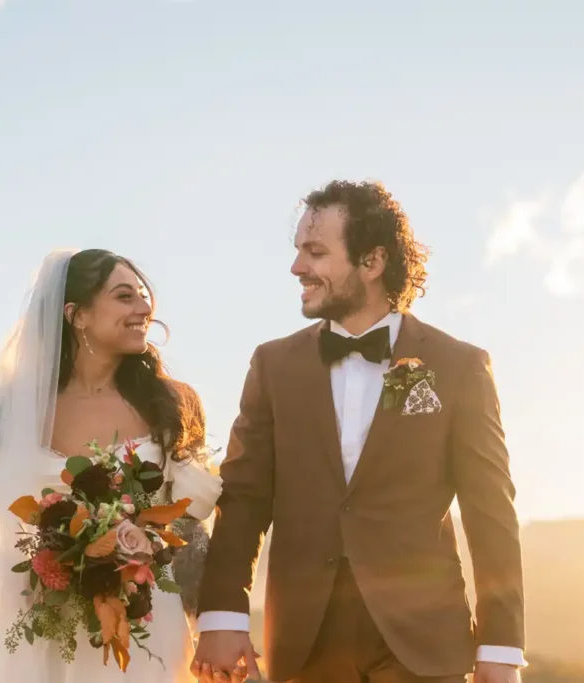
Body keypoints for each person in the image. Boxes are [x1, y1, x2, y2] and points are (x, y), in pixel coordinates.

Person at [192, 181, 527, 683]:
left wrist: (500, 648)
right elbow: (244, 498)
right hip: (305, 642)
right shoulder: (273, 365)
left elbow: (490, 511)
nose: (297, 267)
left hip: (423, 644)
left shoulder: (459, 366)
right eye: (298, 251)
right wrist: (222, 616)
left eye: (316, 252)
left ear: (372, 261)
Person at [0, 248, 222, 683]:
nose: (144, 308)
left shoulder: (171, 404)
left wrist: (213, 623)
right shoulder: (12, 412)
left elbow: (192, 531)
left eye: (143, 295)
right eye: (124, 296)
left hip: (147, 626)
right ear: (77, 315)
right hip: (40, 629)